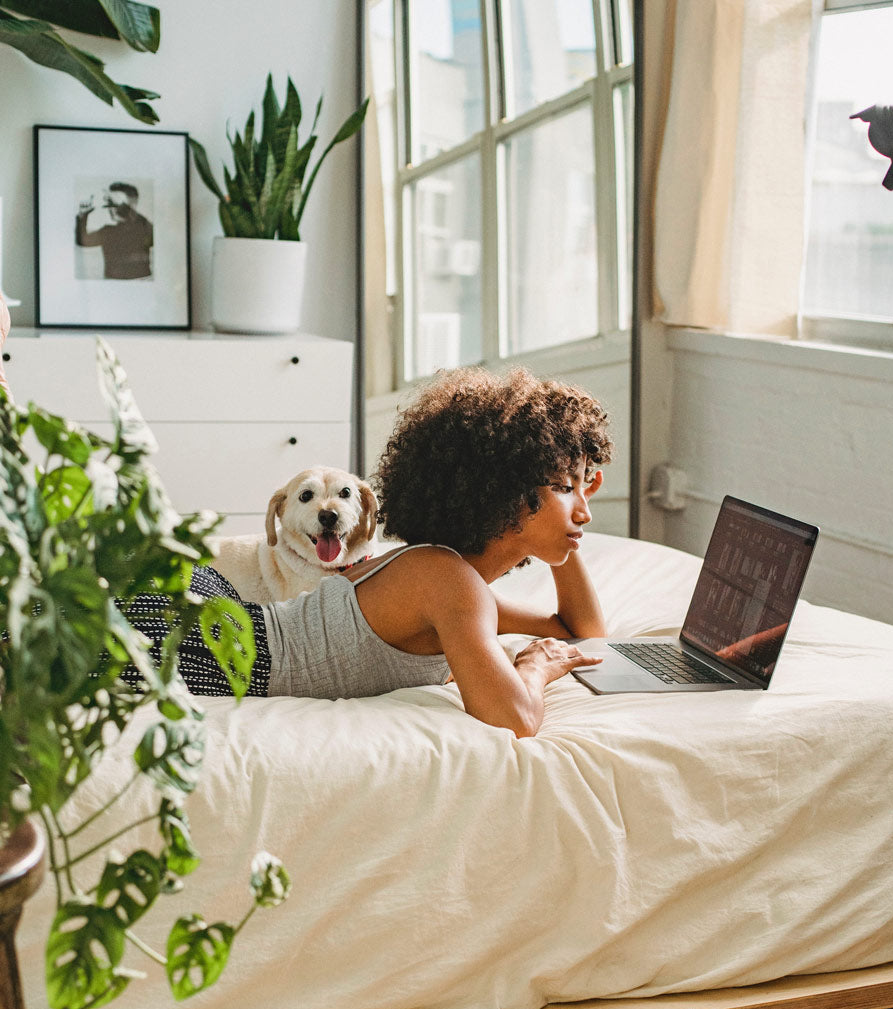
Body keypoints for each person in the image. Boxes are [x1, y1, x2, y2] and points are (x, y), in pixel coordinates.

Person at [124, 366, 614, 736]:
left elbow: (582, 633)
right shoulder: (447, 582)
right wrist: (535, 665)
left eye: (582, 490)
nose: (584, 510)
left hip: (216, 619)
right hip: (206, 640)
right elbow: (516, 718)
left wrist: (565, 532)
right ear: (505, 491)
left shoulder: (449, 580)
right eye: (566, 487)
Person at [75, 182, 153, 280]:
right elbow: (82, 241)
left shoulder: (144, 227)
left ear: (133, 205)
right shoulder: (108, 231)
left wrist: (124, 207)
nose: (112, 210)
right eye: (110, 205)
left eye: (116, 205)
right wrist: (83, 215)